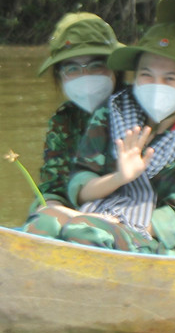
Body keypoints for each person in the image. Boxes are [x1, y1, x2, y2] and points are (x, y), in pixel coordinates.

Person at [23, 22, 175, 254]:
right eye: (146, 75)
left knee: (84, 231)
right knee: (43, 222)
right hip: (93, 213)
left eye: (170, 79)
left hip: (150, 238)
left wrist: (117, 224)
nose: (157, 85)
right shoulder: (110, 112)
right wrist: (120, 177)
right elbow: (81, 184)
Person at [34, 12, 123, 206]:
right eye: (72, 69)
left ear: (115, 68)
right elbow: (53, 186)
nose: (85, 77)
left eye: (96, 66)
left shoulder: (138, 112)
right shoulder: (64, 120)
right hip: (77, 213)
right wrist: (52, 210)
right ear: (60, 76)